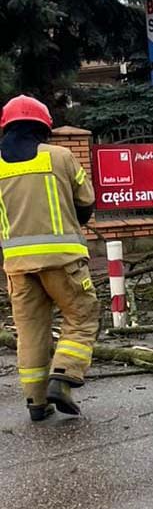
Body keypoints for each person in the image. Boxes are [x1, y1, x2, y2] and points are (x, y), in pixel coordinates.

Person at [0, 95, 99, 421]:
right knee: (82, 316)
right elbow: (86, 201)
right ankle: (64, 376)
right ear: (44, 126)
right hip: (63, 261)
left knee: (30, 332)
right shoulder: (60, 156)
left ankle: (36, 402)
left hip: (17, 267)